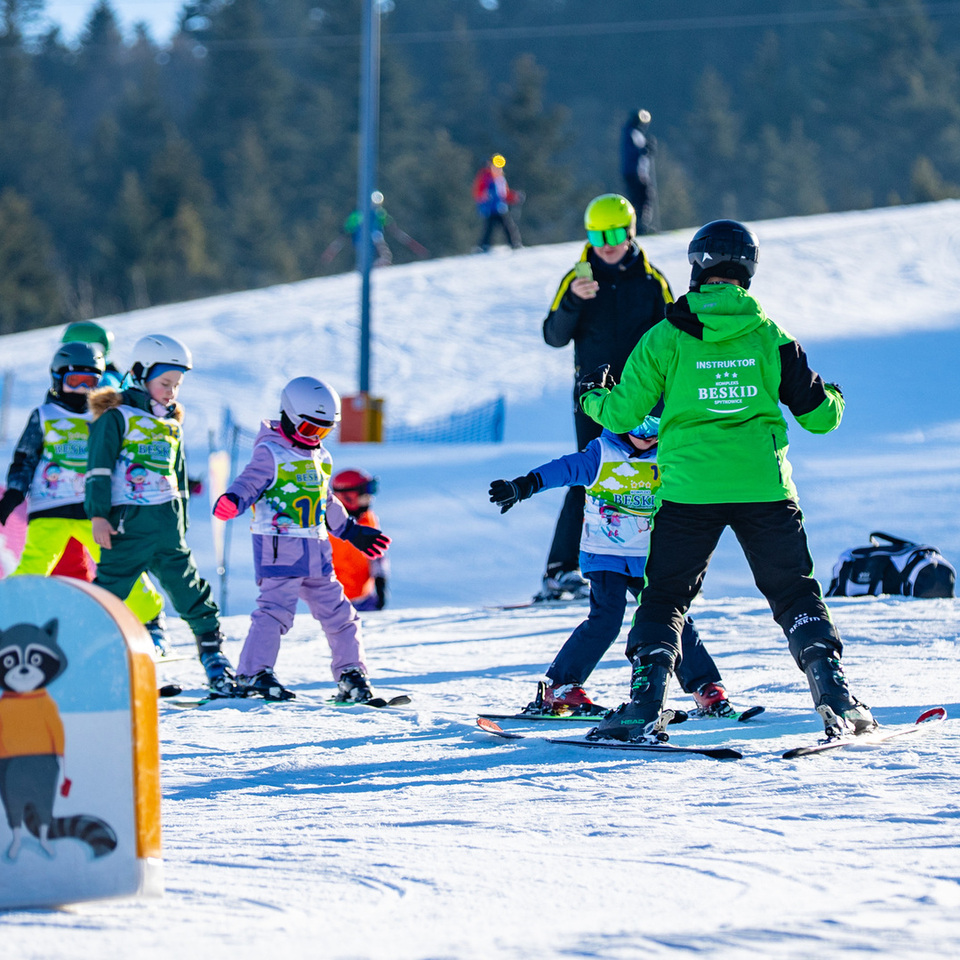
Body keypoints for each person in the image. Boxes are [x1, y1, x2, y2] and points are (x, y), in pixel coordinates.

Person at [578, 218, 877, 743]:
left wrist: (591, 396)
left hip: (689, 490)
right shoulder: (769, 335)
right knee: (793, 591)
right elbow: (819, 417)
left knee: (665, 596)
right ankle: (835, 696)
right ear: (748, 271)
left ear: (696, 267)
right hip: (764, 488)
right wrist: (835, 395)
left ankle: (643, 706)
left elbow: (622, 414)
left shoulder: (667, 336)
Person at [489, 416, 745, 719]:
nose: (648, 437)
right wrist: (523, 486)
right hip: (605, 555)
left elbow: (705, 477)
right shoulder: (602, 453)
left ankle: (706, 688)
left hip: (650, 558)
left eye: (656, 429)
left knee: (672, 619)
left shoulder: (670, 453)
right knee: (606, 619)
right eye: (640, 428)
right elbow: (564, 469)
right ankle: (560, 689)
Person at [212, 378, 391, 702]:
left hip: (317, 551)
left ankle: (351, 674)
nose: (316, 437)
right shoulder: (270, 452)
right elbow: (249, 482)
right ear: (289, 416)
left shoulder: (321, 457)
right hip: (279, 547)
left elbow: (326, 501)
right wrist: (234, 499)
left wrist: (350, 530)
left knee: (341, 614)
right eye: (310, 428)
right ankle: (254, 672)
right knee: (275, 612)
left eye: (324, 430)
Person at [85, 334, 236, 695]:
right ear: (141, 374)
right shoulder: (116, 417)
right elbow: (98, 468)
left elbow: (178, 477)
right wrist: (98, 515)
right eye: (165, 383)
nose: (171, 392)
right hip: (128, 528)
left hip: (167, 530)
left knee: (190, 592)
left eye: (177, 385)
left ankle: (215, 661)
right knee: (108, 594)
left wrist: (180, 522)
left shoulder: (171, 423)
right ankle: (85, 663)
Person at [539, 193, 673, 602]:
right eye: (597, 235)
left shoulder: (651, 281)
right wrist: (574, 301)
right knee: (591, 472)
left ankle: (651, 569)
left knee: (650, 477)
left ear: (630, 233)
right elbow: (553, 336)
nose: (606, 244)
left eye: (614, 234)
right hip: (592, 398)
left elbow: (674, 336)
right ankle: (560, 570)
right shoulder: (578, 278)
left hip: (644, 398)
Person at [0, 342, 168, 655]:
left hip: (94, 511)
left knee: (119, 563)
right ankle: (8, 620)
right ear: (57, 379)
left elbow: (124, 457)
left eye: (90, 382)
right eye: (74, 381)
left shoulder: (107, 417)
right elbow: (25, 458)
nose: (81, 390)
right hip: (50, 507)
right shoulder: (44, 415)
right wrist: (13, 493)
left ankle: (151, 621)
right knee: (34, 565)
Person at [56, 320, 170, 652]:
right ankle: (72, 627)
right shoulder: (74, 387)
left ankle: (149, 620)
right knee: (77, 561)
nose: (82, 385)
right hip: (70, 491)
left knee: (114, 559)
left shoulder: (108, 385)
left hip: (101, 490)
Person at [329, 468, 390, 611]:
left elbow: (378, 554)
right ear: (347, 496)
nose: (370, 498)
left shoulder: (368, 517)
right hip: (335, 601)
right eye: (365, 493)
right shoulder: (327, 526)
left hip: (365, 597)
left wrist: (380, 580)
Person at [472, 154, 523, 252]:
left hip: (500, 207)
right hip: (490, 208)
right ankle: (484, 246)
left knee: (507, 226)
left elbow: (504, 193)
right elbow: (478, 191)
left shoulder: (500, 178)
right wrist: (483, 195)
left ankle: (513, 243)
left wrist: (515, 197)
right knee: (491, 227)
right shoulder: (485, 177)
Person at [619, 109, 657, 234]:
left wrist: (646, 148)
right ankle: (639, 225)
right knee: (639, 198)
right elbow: (632, 151)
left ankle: (642, 224)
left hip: (639, 172)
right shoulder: (630, 132)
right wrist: (644, 149)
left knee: (643, 197)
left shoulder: (636, 133)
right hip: (635, 172)